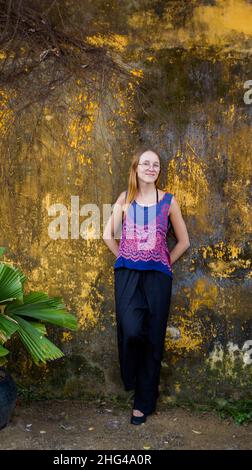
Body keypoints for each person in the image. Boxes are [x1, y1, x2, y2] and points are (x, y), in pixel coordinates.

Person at [103, 145, 190, 425]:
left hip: (158, 278)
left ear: (158, 170)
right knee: (131, 331)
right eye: (145, 164)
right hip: (128, 275)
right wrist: (127, 258)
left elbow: (184, 242)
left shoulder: (168, 202)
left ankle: (144, 402)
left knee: (154, 337)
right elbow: (107, 236)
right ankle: (132, 380)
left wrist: (164, 262)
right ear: (135, 169)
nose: (151, 168)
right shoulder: (125, 200)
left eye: (155, 164)